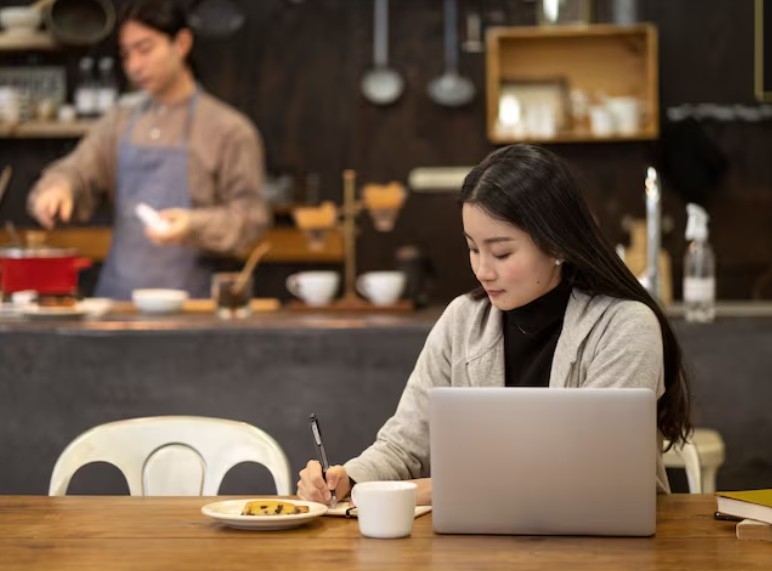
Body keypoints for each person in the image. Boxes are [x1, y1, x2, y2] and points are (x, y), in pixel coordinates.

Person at [298, 144, 692, 505]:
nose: (482, 270)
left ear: (556, 244)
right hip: (484, 546)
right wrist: (348, 478)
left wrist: (435, 489)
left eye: (501, 252)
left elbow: (594, 475)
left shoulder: (624, 326)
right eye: (472, 248)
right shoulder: (463, 320)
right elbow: (404, 446)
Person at [27, 0, 269, 299]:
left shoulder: (228, 129)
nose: (134, 65)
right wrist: (59, 188)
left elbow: (251, 217)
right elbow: (76, 170)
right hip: (118, 301)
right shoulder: (119, 121)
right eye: (126, 54)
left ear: (181, 43)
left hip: (193, 308)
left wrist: (193, 225)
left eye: (145, 49)